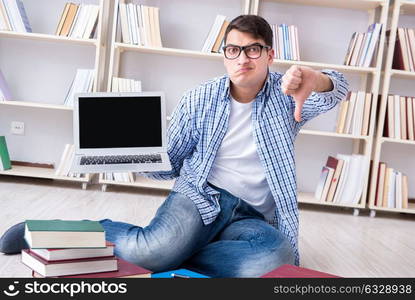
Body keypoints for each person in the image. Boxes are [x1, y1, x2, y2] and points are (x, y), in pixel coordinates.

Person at [0, 15, 349, 277]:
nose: (243, 58)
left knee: (273, 260)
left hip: (254, 214)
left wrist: (315, 79)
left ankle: (179, 249)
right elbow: (173, 161)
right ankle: (50, 230)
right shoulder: (198, 98)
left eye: (253, 49)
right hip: (201, 196)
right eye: (233, 49)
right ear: (224, 55)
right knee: (150, 252)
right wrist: (137, 155)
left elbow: (339, 89)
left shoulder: (289, 96)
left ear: (269, 55)